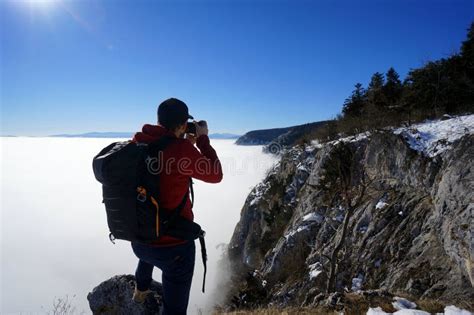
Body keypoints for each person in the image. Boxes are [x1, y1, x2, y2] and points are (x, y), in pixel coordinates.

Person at [130, 98, 223, 315]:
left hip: (140, 241)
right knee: (174, 310)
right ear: (182, 125)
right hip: (173, 251)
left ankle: (141, 288)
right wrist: (203, 141)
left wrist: (184, 144)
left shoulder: (139, 142)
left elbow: (163, 161)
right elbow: (215, 174)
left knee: (151, 221)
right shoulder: (181, 149)